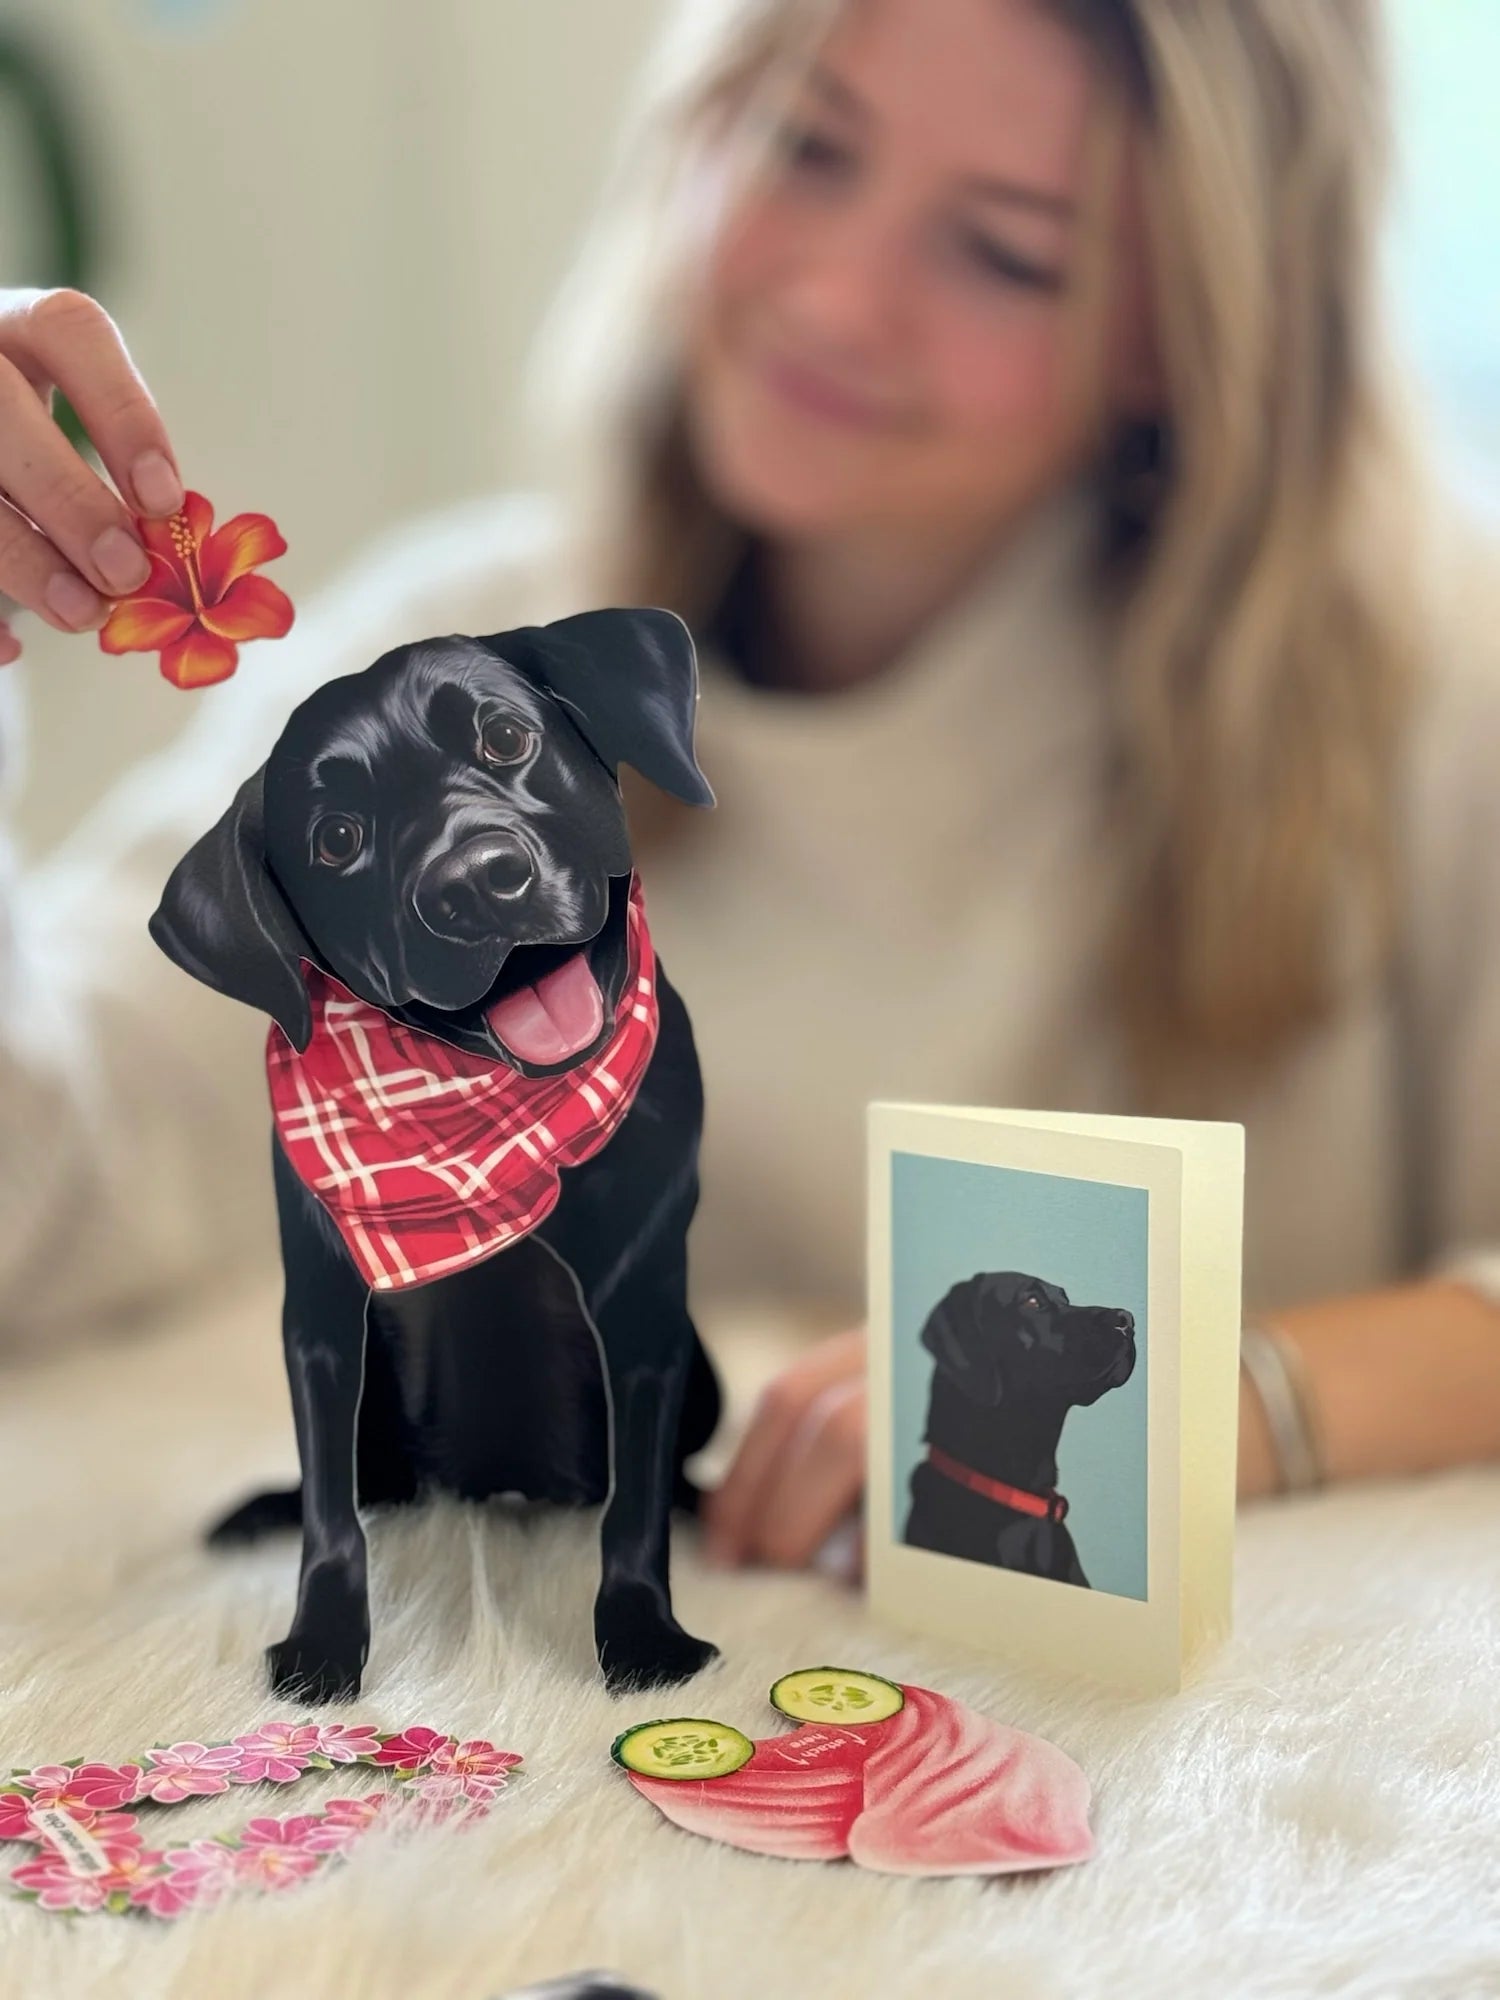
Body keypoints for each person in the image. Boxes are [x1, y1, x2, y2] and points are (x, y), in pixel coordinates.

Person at [1, 0, 1497, 1567]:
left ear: (1188, 337)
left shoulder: (1443, 686)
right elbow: (43, 1189)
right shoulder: (435, 692)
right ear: (697, 125)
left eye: (1004, 252)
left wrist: (1241, 1401)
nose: (840, 300)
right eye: (806, 146)